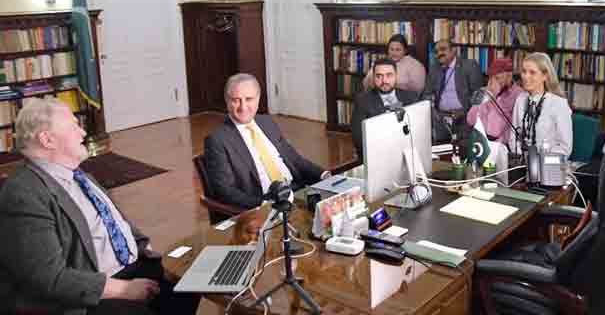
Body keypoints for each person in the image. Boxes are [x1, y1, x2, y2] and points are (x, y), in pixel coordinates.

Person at [0, 98, 200, 315]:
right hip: (90, 295)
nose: (83, 133)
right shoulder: (24, 193)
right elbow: (48, 278)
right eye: (74, 125)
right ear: (47, 140)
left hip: (132, 265)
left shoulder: (79, 175)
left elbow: (114, 220)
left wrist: (142, 246)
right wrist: (124, 289)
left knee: (197, 277)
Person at [205, 73, 331, 210]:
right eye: (236, 100)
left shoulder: (266, 122)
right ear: (227, 101)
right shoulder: (218, 140)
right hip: (265, 202)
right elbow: (225, 190)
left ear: (258, 99)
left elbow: (294, 159)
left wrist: (323, 175)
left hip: (296, 191)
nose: (243, 106)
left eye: (249, 99)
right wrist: (264, 205)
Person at [352, 58, 420, 156]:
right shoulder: (362, 101)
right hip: (378, 153)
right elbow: (358, 138)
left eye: (389, 75)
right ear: (373, 78)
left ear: (396, 76)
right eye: (379, 76)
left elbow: (418, 129)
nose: (384, 81)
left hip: (407, 151)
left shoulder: (411, 97)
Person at [510, 52, 573, 157]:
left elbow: (565, 148)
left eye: (532, 72)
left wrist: (538, 160)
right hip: (522, 162)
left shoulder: (559, 104)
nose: (526, 76)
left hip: (548, 165)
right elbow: (513, 137)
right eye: (524, 71)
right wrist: (523, 158)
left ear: (545, 76)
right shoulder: (520, 100)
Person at [423, 39, 484, 142]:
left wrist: (464, 112)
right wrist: (433, 111)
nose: (439, 54)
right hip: (441, 119)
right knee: (441, 151)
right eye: (436, 52)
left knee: (464, 151)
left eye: (443, 49)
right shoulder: (434, 70)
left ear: (454, 51)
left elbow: (479, 95)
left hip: (465, 117)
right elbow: (427, 94)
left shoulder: (469, 66)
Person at [466, 57, 523, 144]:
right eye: (490, 76)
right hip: (481, 143)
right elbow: (470, 120)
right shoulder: (484, 90)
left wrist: (494, 97)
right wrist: (486, 95)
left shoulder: (518, 95)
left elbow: (494, 131)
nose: (492, 81)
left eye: (496, 77)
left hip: (503, 148)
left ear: (509, 76)